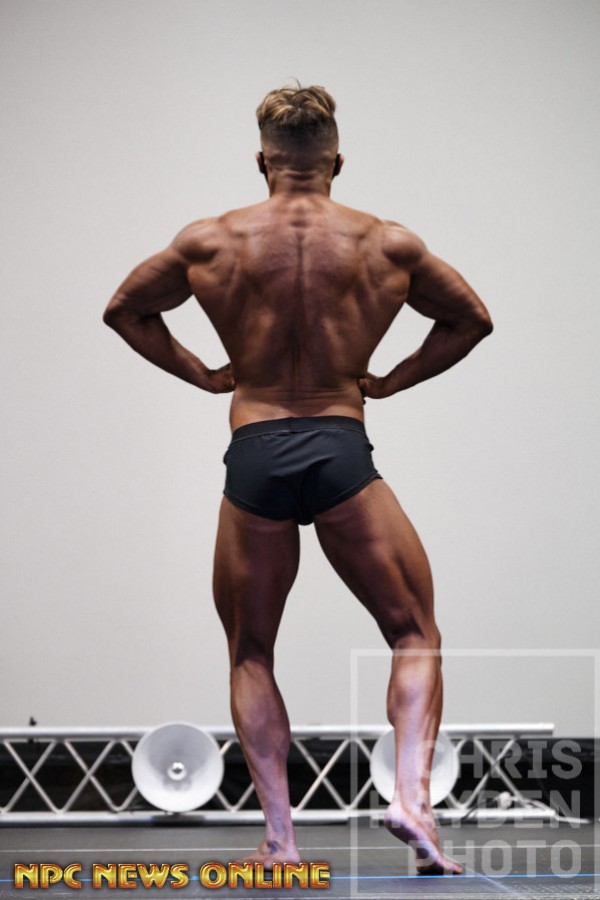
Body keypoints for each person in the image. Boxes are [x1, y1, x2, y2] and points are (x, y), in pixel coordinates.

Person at [103, 84, 493, 875]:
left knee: (251, 652)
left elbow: (125, 310)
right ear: (337, 163)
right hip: (340, 445)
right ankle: (411, 799)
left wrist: (205, 374)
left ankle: (281, 841)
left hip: (254, 450)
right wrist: (391, 380)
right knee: (414, 633)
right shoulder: (386, 244)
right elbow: (472, 320)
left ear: (262, 163)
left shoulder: (212, 241)